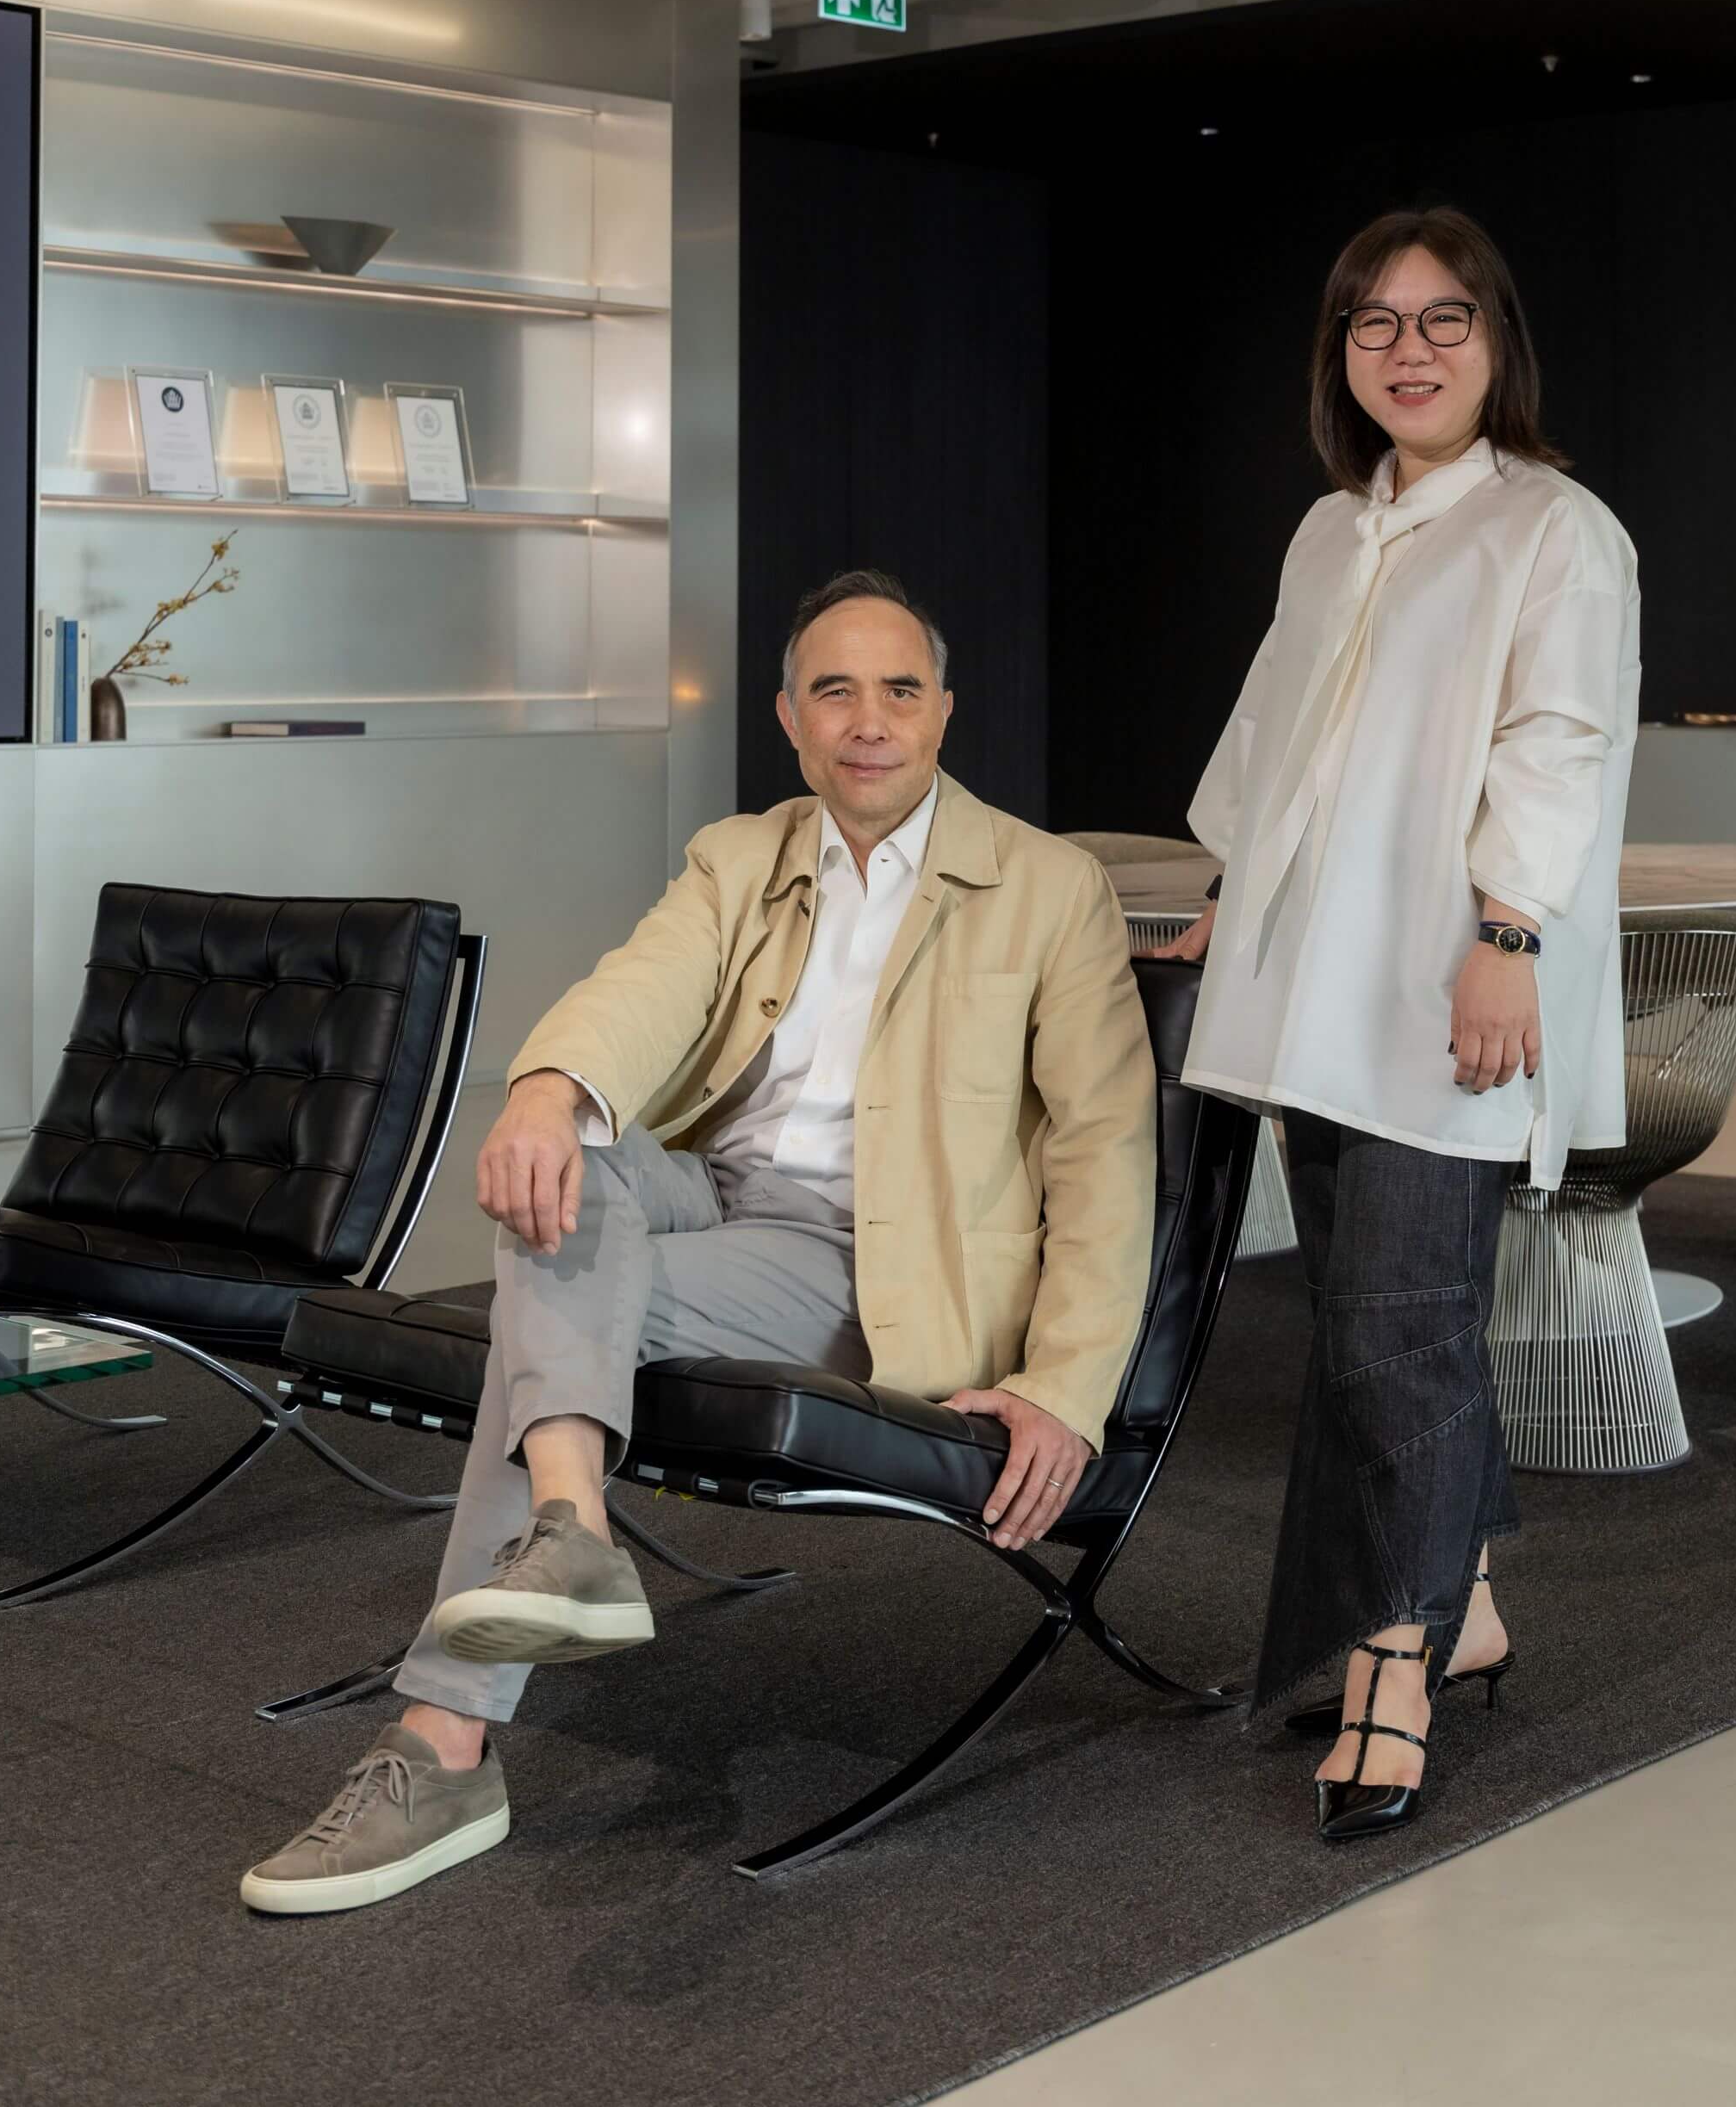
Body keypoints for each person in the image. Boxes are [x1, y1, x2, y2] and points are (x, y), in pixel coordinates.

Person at [243, 570, 1156, 1914]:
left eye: (899, 689)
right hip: (719, 1188)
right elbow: (644, 986)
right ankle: (571, 1523)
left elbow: (1105, 1149)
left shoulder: (1048, 886)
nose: (869, 719)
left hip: (870, 1256)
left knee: (546, 1311)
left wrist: (1065, 1387)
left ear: (943, 710)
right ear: (790, 716)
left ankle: (445, 1738)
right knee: (567, 1168)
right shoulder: (743, 854)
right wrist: (547, 1090)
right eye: (834, 690)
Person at [1159, 208, 1639, 1843]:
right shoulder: (1330, 530)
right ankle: (1467, 1600)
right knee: (1369, 1314)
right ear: (1341, 354)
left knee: (1400, 1326)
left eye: (1444, 319)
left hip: (1449, 988)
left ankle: (1395, 1663)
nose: (1410, 349)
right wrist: (1234, 886)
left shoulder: (1553, 527)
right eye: (1375, 321)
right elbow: (1272, 726)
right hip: (1316, 986)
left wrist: (1508, 931)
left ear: (1497, 343)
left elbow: (1559, 741)